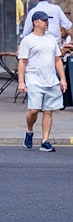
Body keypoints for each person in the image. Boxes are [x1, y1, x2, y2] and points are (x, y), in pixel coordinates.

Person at [17, 11, 68, 151]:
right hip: (34, 80)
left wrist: (62, 79)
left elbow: (57, 59)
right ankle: (29, 130)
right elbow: (22, 62)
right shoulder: (28, 40)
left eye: (47, 20)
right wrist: (21, 82)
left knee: (48, 111)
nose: (46, 22)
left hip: (51, 80)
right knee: (34, 110)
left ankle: (45, 141)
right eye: (44, 20)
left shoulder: (51, 39)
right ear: (35, 22)